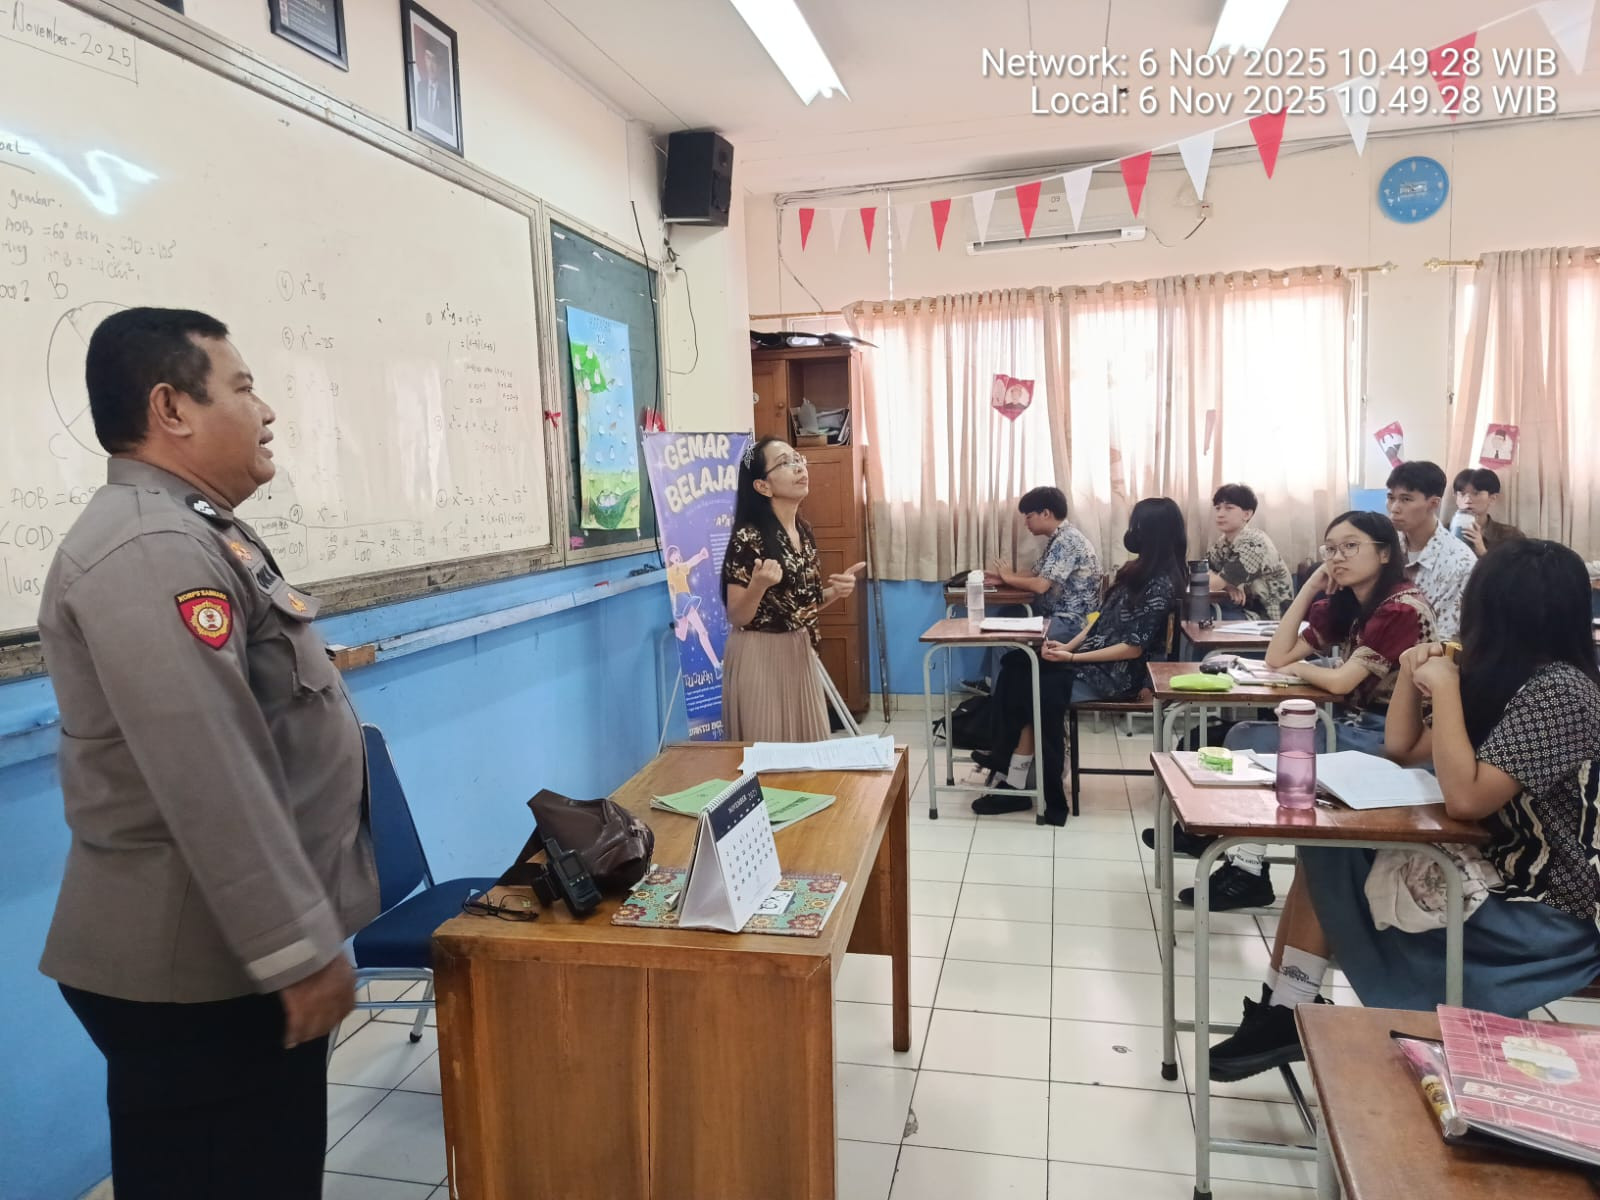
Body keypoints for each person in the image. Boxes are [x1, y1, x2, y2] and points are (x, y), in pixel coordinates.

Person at [36, 308, 379, 1199]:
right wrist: (297, 951)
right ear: (171, 409)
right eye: (241, 386)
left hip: (228, 955)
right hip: (203, 972)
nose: (265, 410)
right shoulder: (151, 546)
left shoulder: (193, 526)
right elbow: (210, 770)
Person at [1207, 538, 1600, 1082]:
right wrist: (1420, 683)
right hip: (1498, 867)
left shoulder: (1560, 691)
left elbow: (1465, 798)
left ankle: (1289, 1008)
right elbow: (1402, 747)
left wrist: (1447, 687)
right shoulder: (1508, 677)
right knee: (1328, 845)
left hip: (1547, 908)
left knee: (1334, 854)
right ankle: (1288, 1005)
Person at [1171, 511, 1436, 910]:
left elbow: (1341, 682)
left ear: (1384, 554)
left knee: (1249, 738)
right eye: (1330, 549)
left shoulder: (1401, 608)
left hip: (1396, 738)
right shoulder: (1349, 603)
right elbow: (1278, 653)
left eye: (1350, 547)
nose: (1338, 558)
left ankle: (1244, 867)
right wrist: (1312, 583)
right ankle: (1236, 856)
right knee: (1243, 734)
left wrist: (1298, 667)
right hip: (1354, 722)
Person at [973, 496, 1187, 826]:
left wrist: (1073, 656)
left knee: (1031, 687)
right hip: (1089, 660)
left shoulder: (1161, 584)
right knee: (1017, 666)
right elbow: (1098, 621)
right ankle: (1009, 769)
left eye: (1136, 526)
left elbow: (1132, 648)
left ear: (1152, 532)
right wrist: (1066, 647)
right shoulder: (1136, 571)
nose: (1131, 532)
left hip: (1116, 675)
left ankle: (1016, 782)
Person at [720, 437, 863, 741]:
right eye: (785, 462)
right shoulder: (749, 537)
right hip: (760, 654)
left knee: (810, 749)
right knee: (770, 757)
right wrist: (758, 585)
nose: (799, 467)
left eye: (798, 459)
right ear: (763, 486)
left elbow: (800, 605)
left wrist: (835, 592)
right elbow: (737, 615)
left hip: (799, 649)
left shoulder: (803, 531)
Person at [986, 486, 1101, 639]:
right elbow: (1034, 573)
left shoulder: (1067, 541)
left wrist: (1009, 578)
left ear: (1046, 513)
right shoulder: (1058, 538)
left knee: (1005, 635)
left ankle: (1021, 662)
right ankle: (1017, 662)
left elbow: (1040, 586)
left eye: (1029, 517)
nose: (1026, 524)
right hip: (1056, 615)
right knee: (1005, 616)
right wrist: (1002, 579)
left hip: (1072, 622)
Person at [1385, 460, 1476, 640]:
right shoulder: (1386, 546)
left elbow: (1445, 640)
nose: (1394, 508)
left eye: (1405, 499)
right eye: (1391, 498)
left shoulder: (1460, 564)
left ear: (1433, 503)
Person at [1204, 483, 1294, 621]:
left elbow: (1210, 583)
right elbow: (1200, 570)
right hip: (1243, 609)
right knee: (1198, 613)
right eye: (1218, 508)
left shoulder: (1254, 543)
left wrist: (1221, 582)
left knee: (1200, 616)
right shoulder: (1224, 541)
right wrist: (1228, 585)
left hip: (1268, 618)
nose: (1220, 514)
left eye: (1229, 508)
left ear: (1247, 514)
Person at [665, 544, 721, 671]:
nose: (676, 555)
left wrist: (701, 556)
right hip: (682, 600)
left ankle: (671, 628)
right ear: (670, 558)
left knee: (682, 634)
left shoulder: (681, 567)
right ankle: (717, 666)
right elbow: (690, 563)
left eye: (677, 553)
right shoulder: (672, 570)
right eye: (673, 554)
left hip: (682, 601)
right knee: (703, 632)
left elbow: (691, 561)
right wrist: (701, 556)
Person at [1451, 467, 1523, 558]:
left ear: (1492, 498)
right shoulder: (1442, 531)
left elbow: (1519, 570)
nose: (1467, 500)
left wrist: (1483, 553)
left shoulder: (1509, 535)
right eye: (1462, 494)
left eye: (1476, 493)